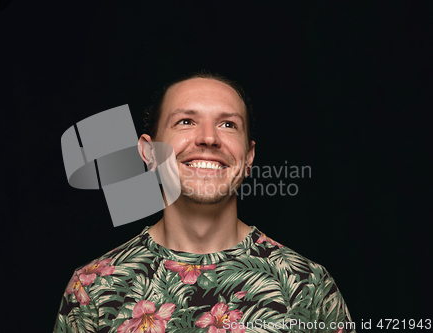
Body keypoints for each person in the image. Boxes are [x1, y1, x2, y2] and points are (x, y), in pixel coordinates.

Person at [53, 72, 356, 333]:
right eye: (186, 121)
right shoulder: (92, 288)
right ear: (149, 154)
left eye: (227, 125)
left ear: (248, 158)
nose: (209, 138)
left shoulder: (308, 286)